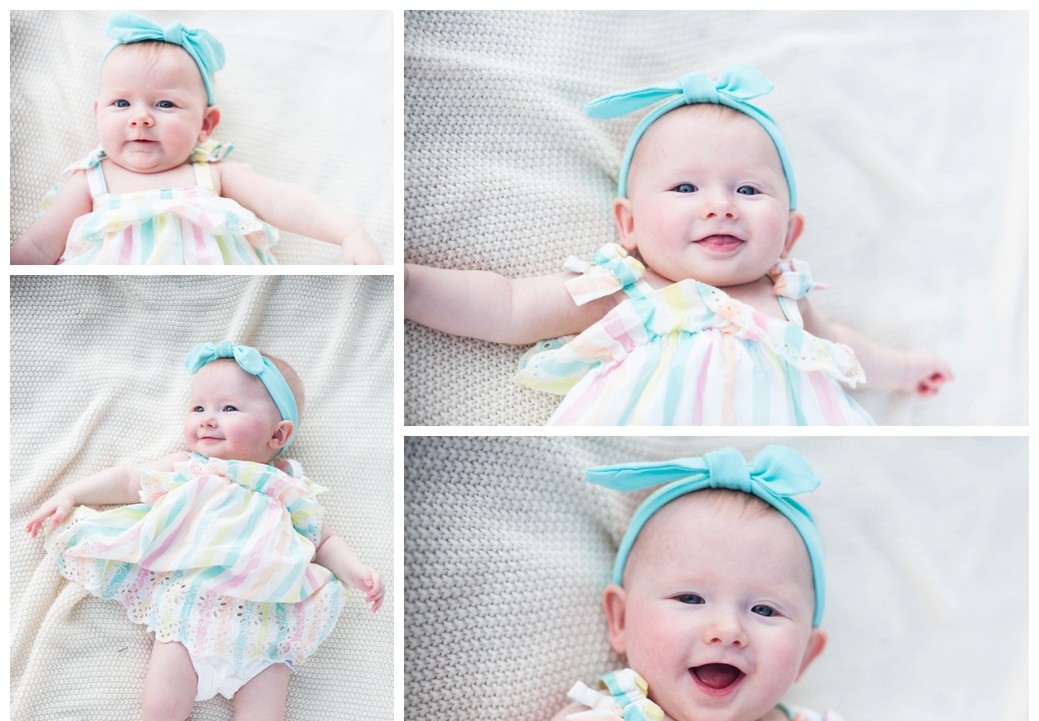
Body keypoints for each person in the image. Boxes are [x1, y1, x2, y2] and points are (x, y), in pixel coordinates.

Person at [457, 446, 980, 721]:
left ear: (806, 656)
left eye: (765, 610)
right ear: (619, 620)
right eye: (690, 597)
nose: (727, 630)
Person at [404, 65, 950, 425]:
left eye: (749, 189)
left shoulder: (787, 300)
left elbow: (844, 348)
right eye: (686, 188)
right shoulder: (625, 288)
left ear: (788, 234)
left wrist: (904, 369)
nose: (721, 206)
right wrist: (410, 288)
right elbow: (508, 305)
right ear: (630, 224)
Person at [24, 340, 384, 721]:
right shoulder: (190, 468)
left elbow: (323, 541)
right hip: (192, 617)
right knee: (158, 705)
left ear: (278, 435)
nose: (207, 419)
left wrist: (355, 571)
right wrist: (73, 494)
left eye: (229, 408)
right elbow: (130, 480)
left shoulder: (284, 488)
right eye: (198, 408)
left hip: (265, 630)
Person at [11, 13, 382, 265]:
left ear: (205, 124)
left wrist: (348, 232)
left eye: (165, 104)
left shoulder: (214, 172)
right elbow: (39, 244)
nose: (140, 117)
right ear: (97, 114)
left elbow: (281, 200)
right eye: (121, 103)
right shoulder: (92, 179)